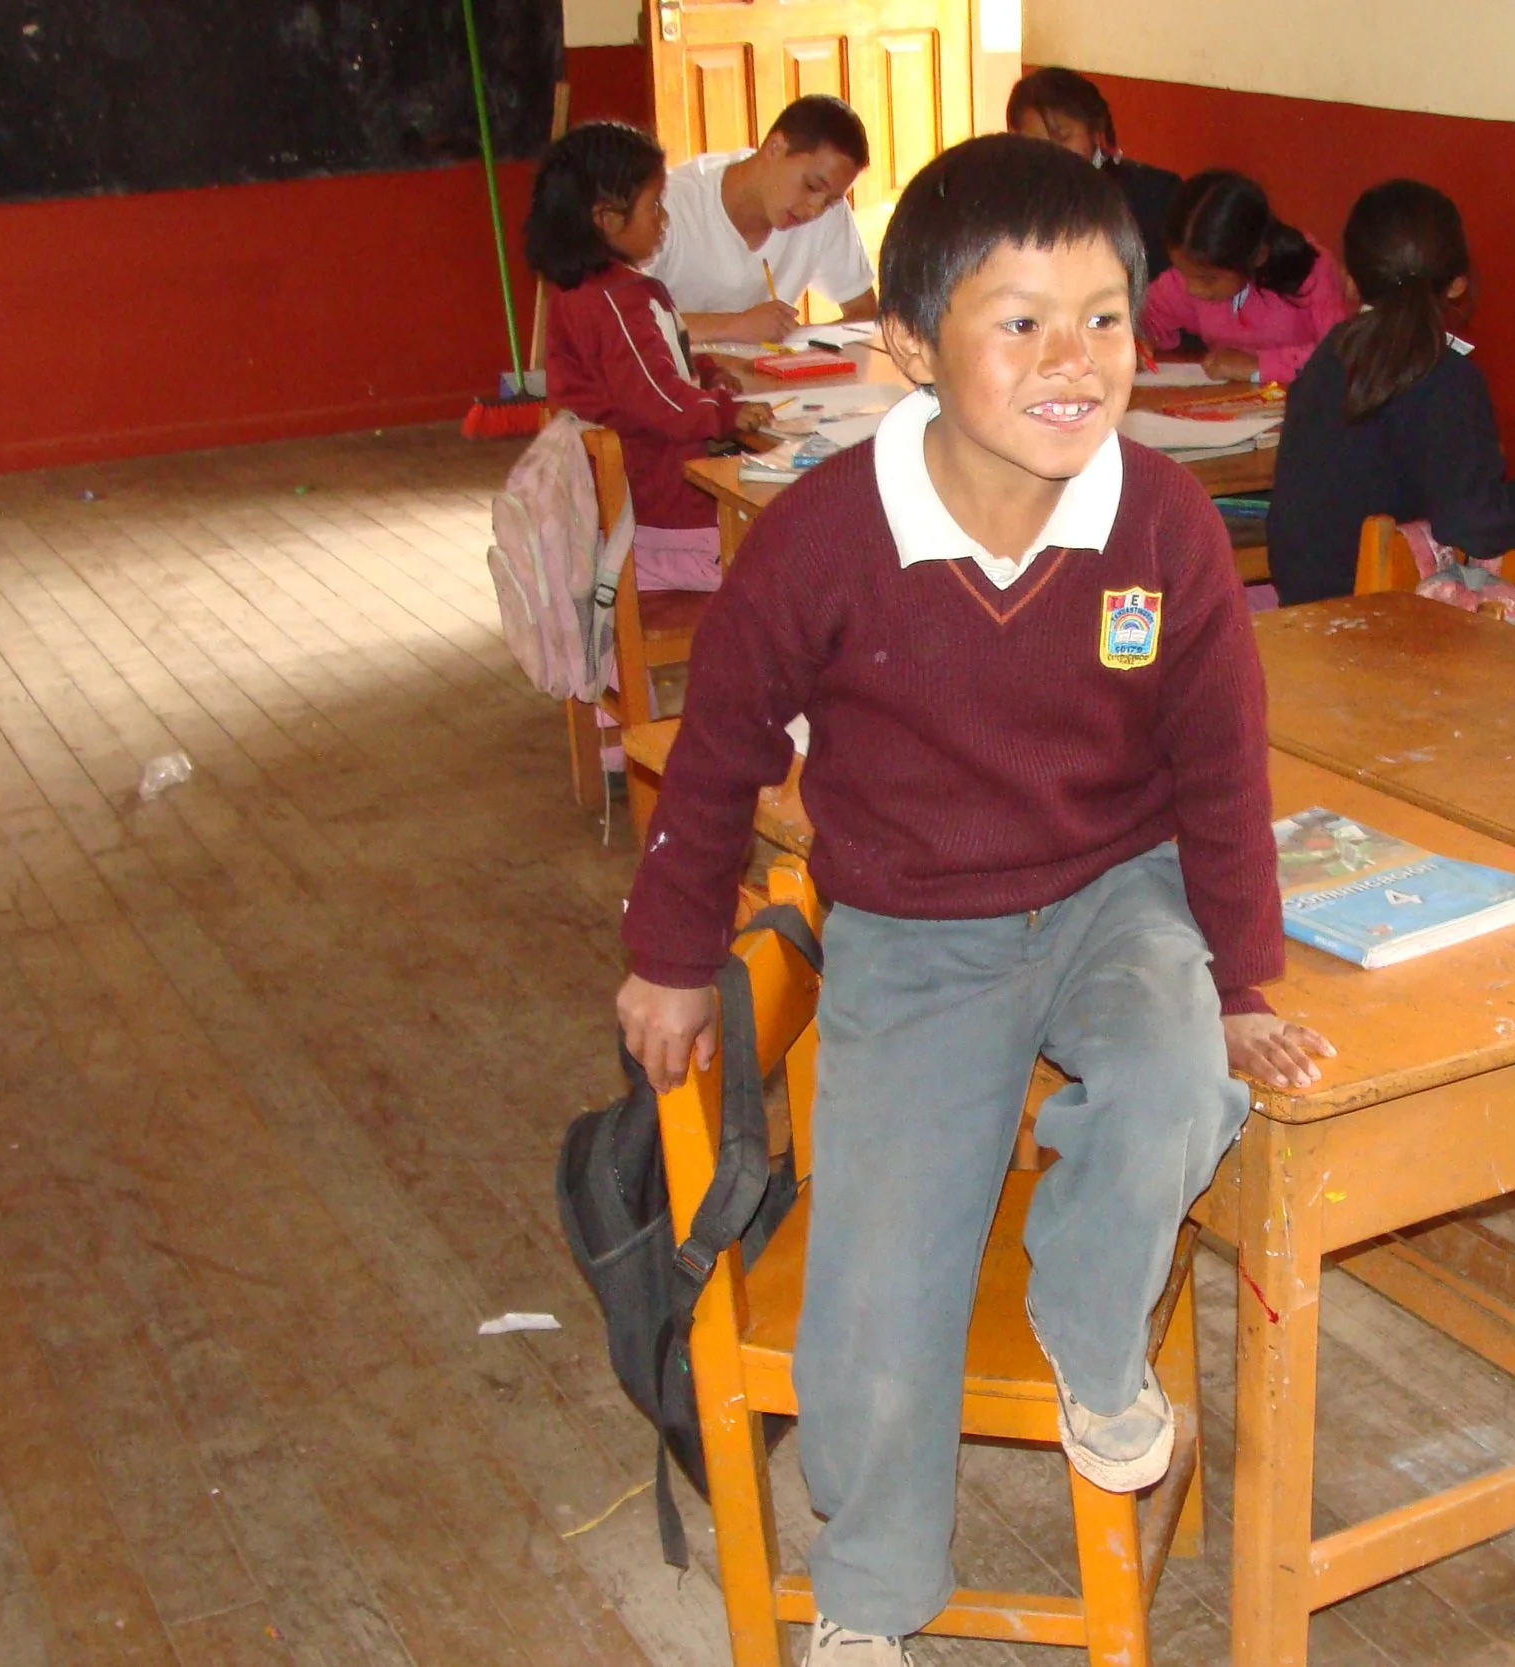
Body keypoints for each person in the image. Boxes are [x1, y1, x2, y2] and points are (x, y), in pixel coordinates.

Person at [615, 132, 1332, 1665]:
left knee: (1176, 1080)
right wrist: (673, 957)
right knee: (879, 1282)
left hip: (1112, 890)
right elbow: (721, 748)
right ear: (906, 345)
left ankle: (1088, 1324)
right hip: (915, 934)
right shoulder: (824, 540)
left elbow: (1220, 769)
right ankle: (871, 1599)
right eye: (1021, 322)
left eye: (1106, 318)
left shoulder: (1161, 524)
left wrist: (1251, 978)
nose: (1075, 359)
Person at [1266, 179, 1515, 607]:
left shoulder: (1330, 355)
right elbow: (1473, 521)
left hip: (1305, 614)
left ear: (1350, 281)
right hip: (1384, 622)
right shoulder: (1447, 379)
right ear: (1457, 284)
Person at [526, 121, 772, 584]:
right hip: (663, 525)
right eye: (655, 205)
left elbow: (647, 367)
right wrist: (725, 413)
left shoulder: (589, 293)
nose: (664, 219)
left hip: (635, 517)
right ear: (607, 218)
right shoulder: (619, 302)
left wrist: (704, 371)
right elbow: (658, 399)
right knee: (793, 566)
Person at [645, 94, 879, 344]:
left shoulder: (827, 212)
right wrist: (734, 326)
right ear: (775, 147)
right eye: (811, 186)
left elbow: (864, 315)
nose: (814, 210)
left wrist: (799, 342)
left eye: (831, 200)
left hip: (769, 378)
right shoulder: (668, 204)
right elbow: (618, 324)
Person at [1140, 170, 1351, 384]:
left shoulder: (1311, 271)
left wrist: (1259, 366)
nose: (1191, 288)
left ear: (1258, 256)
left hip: (1301, 405)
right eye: (1183, 273)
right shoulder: (1189, 278)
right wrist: (1140, 340)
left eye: (1207, 279)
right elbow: (1148, 315)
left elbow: (1342, 355)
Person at [1005, 65, 1183, 281]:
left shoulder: (1154, 196)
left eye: (1063, 136)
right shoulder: (1010, 202)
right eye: (1035, 143)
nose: (1052, 153)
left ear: (1094, 129)